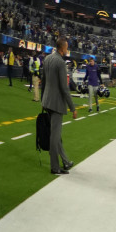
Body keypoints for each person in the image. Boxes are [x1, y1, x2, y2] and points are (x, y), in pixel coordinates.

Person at [41, 39, 76, 175]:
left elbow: (44, 81)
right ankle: (55, 167)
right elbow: (64, 88)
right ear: (63, 48)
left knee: (55, 134)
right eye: (67, 47)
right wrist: (72, 107)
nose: (67, 50)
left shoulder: (48, 58)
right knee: (54, 137)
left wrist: (43, 99)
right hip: (56, 104)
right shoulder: (61, 62)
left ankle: (66, 161)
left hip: (47, 101)